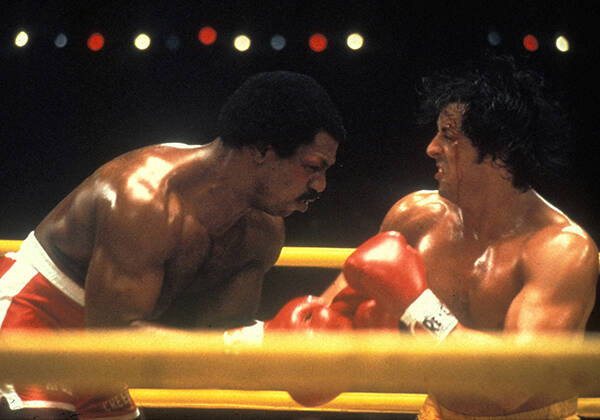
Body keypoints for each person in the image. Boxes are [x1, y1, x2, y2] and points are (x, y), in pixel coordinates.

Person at [0, 70, 345, 420]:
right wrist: (258, 344)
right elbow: (111, 340)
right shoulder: (144, 199)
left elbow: (217, 336)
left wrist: (279, 348)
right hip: (35, 312)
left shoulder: (263, 233)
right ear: (262, 149)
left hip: (111, 336)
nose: (320, 185)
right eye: (312, 167)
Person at [324, 56, 598, 419]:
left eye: (449, 136)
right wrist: (327, 325)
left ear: (500, 151)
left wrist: (418, 305)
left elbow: (514, 384)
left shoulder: (561, 249)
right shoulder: (415, 219)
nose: (431, 148)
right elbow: (329, 311)